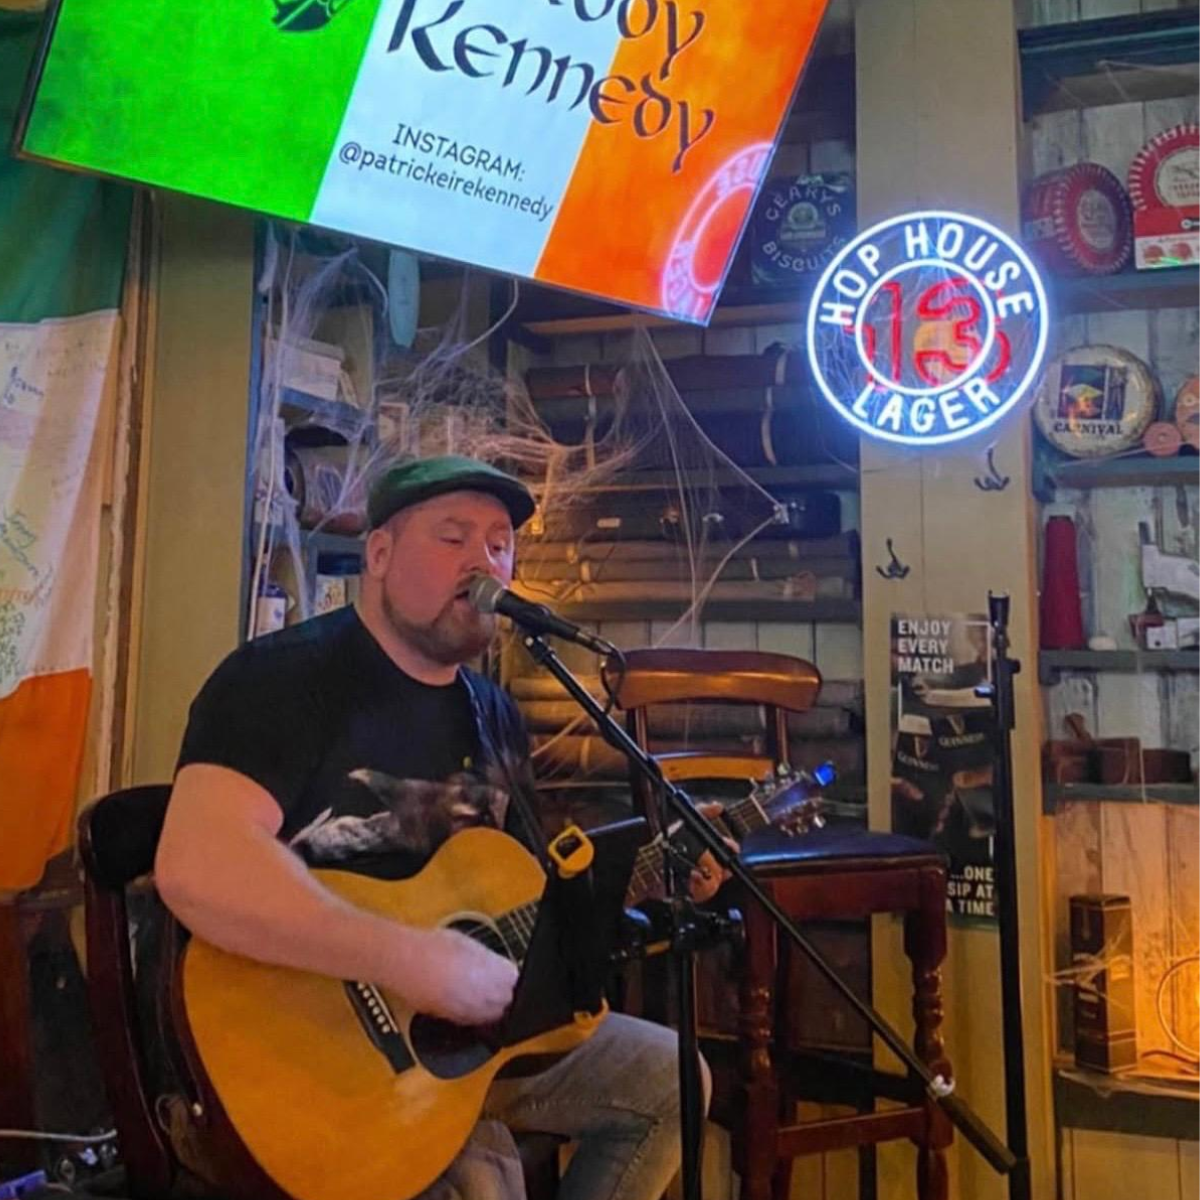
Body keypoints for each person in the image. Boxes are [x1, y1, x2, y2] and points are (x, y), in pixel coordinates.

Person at [153, 454, 716, 1200]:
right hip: (303, 1063)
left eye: (498, 543)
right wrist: (408, 959)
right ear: (379, 555)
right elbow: (198, 864)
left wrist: (655, 885)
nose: (483, 559)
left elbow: (515, 910)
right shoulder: (280, 679)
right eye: (453, 537)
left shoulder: (494, 712)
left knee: (674, 1080)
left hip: (461, 1054)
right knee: (486, 1184)